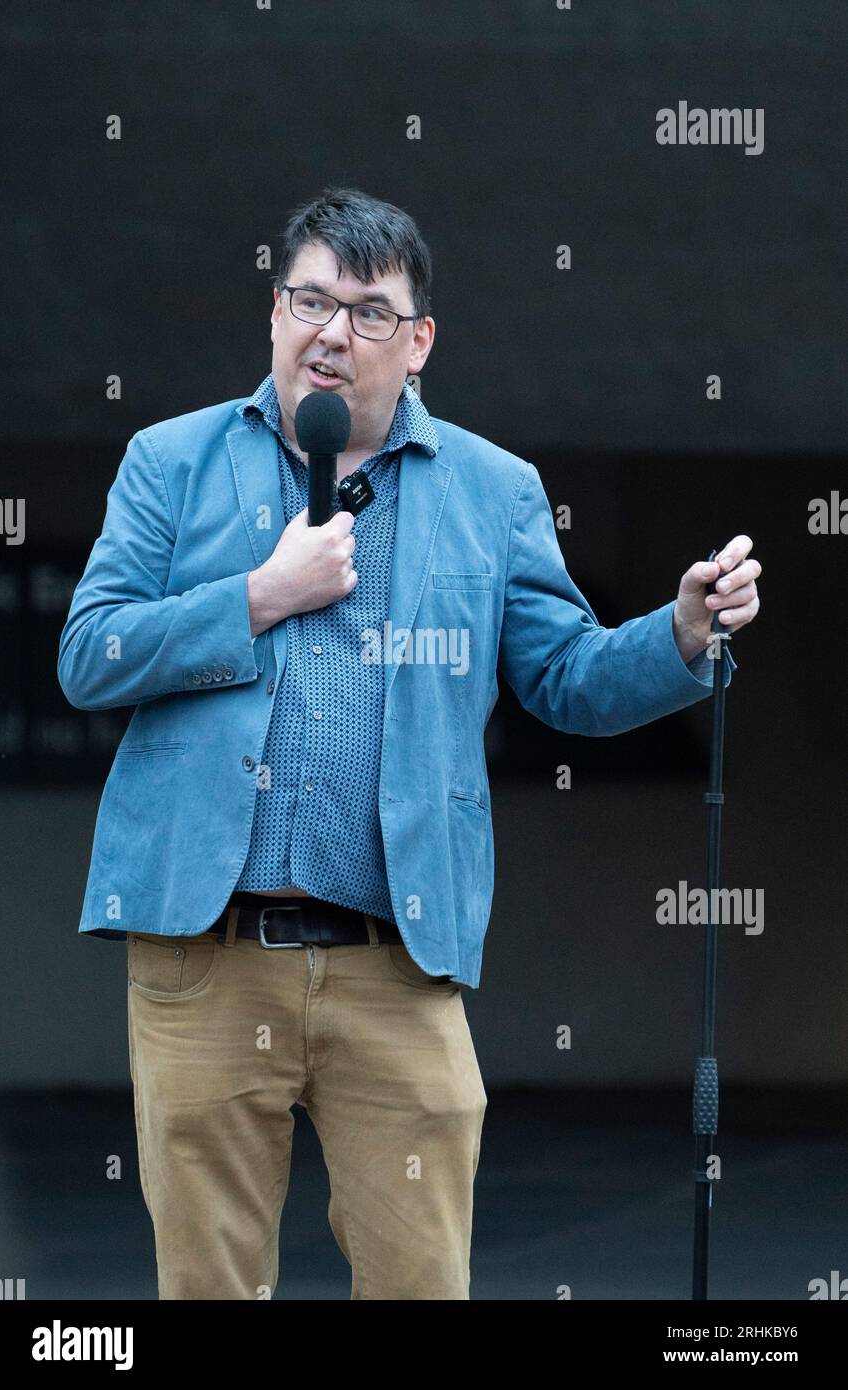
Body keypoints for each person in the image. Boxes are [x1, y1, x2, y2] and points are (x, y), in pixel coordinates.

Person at [57, 186, 762, 1301]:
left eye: (368, 312)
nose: (331, 333)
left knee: (422, 1286)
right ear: (273, 313)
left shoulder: (491, 492)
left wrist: (676, 633)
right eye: (309, 301)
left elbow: (564, 678)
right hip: (201, 954)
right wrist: (254, 595)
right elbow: (88, 654)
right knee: (204, 1288)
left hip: (397, 961)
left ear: (418, 342)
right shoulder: (170, 460)